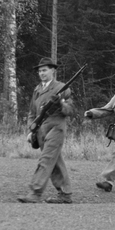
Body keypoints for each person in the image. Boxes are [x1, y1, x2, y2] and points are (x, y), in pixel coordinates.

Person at [19, 58, 76, 204]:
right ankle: (65, 194)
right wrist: (31, 130)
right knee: (55, 161)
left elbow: (70, 110)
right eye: (39, 71)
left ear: (53, 70)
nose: (41, 73)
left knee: (45, 160)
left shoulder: (62, 88)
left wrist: (60, 104)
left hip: (56, 128)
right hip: (41, 131)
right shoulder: (37, 90)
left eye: (44, 70)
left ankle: (35, 192)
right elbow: (32, 112)